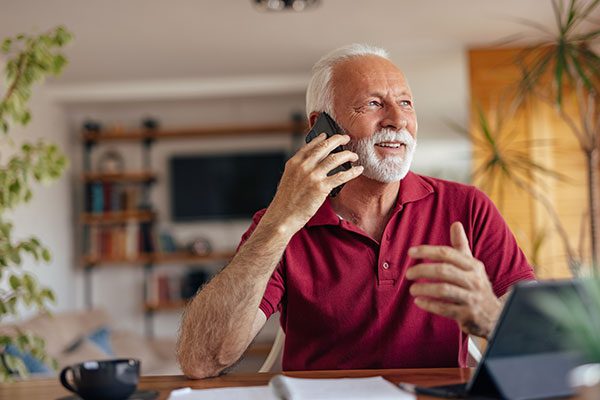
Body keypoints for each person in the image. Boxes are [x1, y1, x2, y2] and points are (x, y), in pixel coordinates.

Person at [177, 44, 535, 378]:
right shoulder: (279, 224)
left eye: (406, 103)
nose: (398, 120)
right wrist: (281, 220)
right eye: (373, 104)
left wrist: (490, 316)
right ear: (323, 127)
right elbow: (201, 360)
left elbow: (545, 339)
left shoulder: (466, 207)